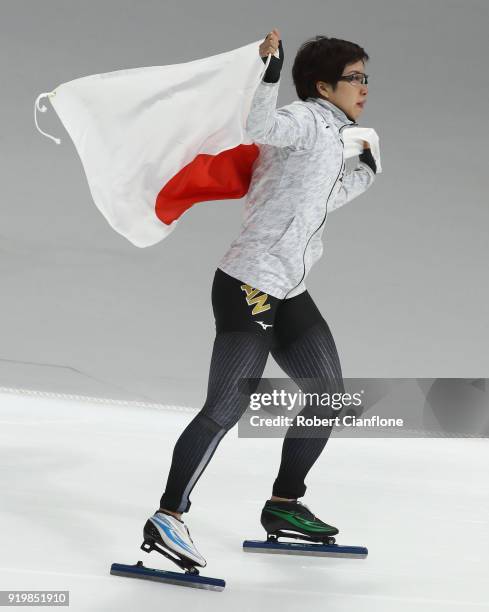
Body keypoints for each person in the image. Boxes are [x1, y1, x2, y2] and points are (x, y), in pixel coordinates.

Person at [142, 29, 378, 568]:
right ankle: (167, 516)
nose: (365, 87)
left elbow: (323, 199)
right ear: (324, 85)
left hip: (290, 286)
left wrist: (364, 170)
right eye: (355, 78)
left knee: (326, 397)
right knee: (226, 406)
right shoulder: (301, 120)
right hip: (249, 280)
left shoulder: (341, 133)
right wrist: (269, 72)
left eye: (367, 78)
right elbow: (259, 126)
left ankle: (284, 505)